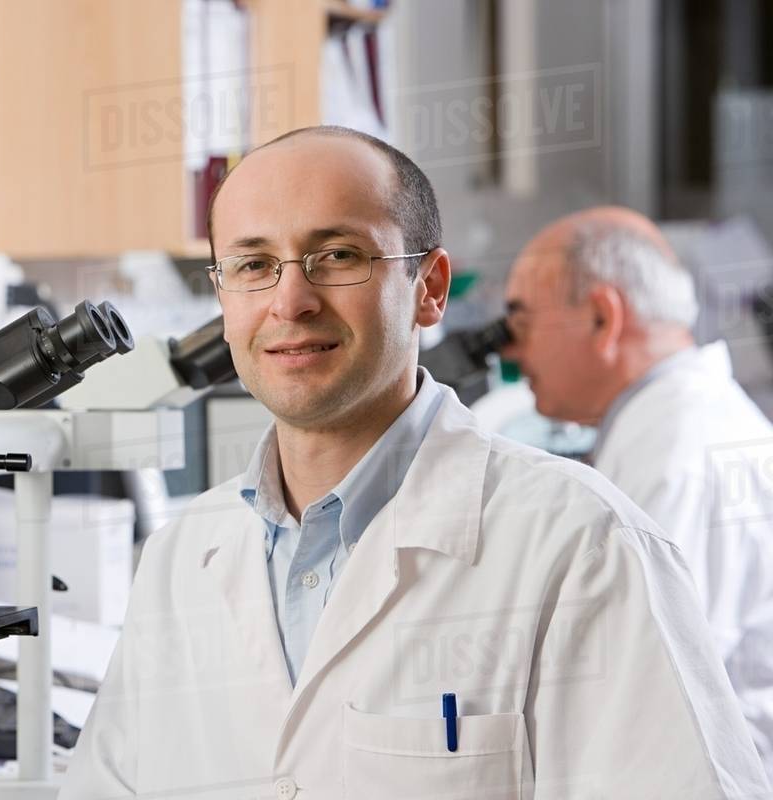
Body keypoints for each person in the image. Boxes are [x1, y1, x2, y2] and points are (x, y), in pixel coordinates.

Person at [60, 128, 768, 799]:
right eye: (252, 265)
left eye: (338, 255)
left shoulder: (584, 544)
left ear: (430, 289)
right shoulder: (181, 557)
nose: (289, 301)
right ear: (223, 297)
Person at [501, 205, 773, 780]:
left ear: (603, 318)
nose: (508, 352)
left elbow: (642, 680)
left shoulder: (677, 455)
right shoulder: (675, 426)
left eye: (520, 323)